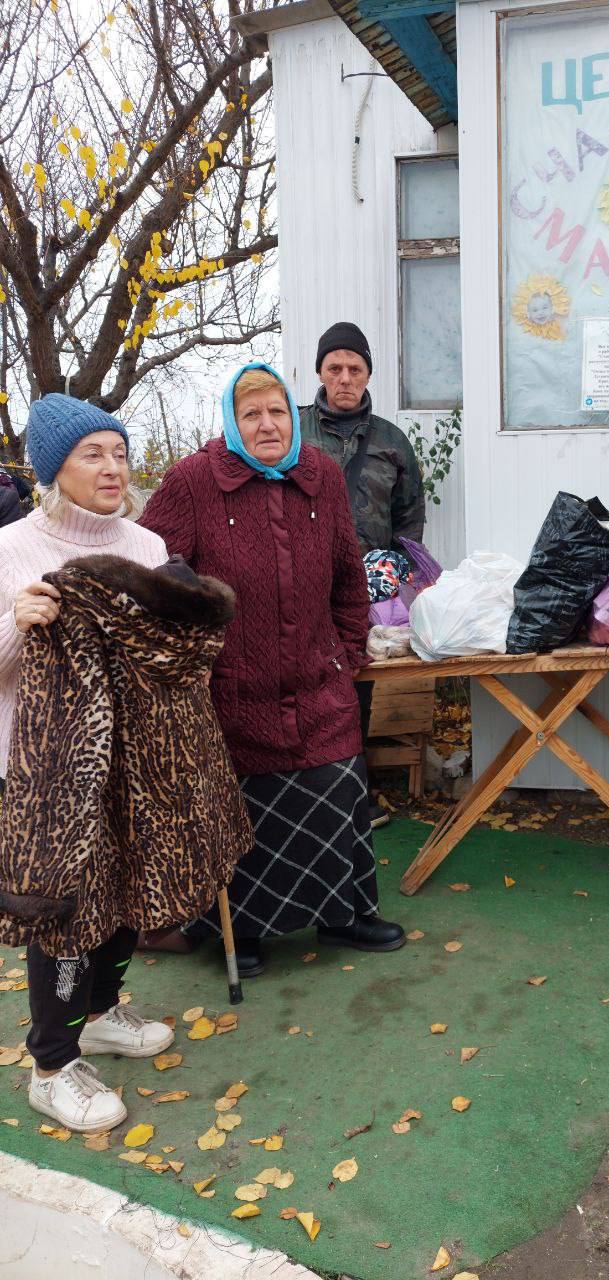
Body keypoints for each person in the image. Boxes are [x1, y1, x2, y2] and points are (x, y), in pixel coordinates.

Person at [141, 362, 405, 978]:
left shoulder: (319, 476)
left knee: (338, 793)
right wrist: (188, 650)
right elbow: (150, 562)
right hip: (236, 685)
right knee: (247, 809)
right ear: (232, 423)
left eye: (277, 411)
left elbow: (347, 569)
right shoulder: (194, 480)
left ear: (293, 413)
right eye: (251, 415)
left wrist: (348, 651)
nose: (267, 425)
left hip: (319, 677)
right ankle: (247, 931)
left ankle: (346, 914)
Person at [0, 395, 175, 1132]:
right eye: (91, 455)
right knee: (64, 912)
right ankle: (51, 1063)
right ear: (54, 470)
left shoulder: (148, 548)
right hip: (43, 773)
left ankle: (102, 1014)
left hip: (130, 760)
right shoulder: (11, 550)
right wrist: (17, 624)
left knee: (127, 890)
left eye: (119, 452)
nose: (112, 468)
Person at [298, 322, 426, 829]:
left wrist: (400, 578)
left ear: (369, 373)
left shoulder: (392, 441)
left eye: (355, 368)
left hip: (367, 588)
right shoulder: (294, 431)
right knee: (306, 681)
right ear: (320, 373)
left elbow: (410, 518)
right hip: (303, 580)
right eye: (335, 368)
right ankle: (305, 796)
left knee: (360, 684)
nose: (345, 377)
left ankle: (356, 797)